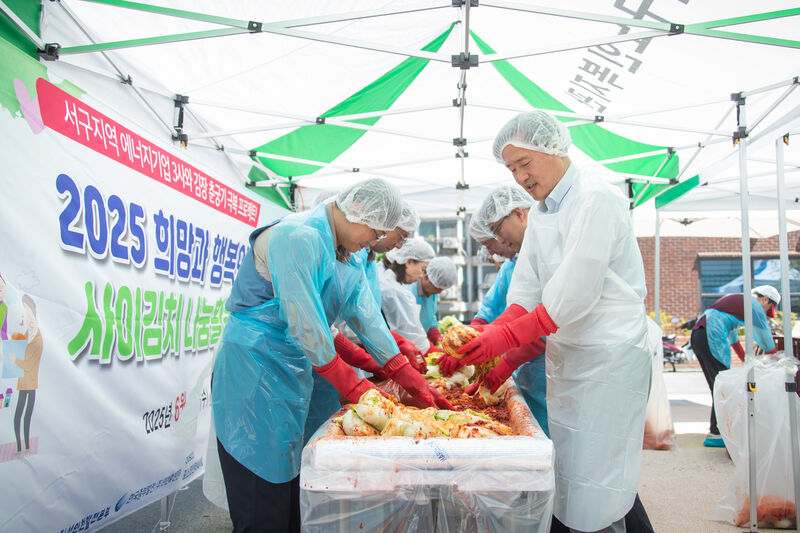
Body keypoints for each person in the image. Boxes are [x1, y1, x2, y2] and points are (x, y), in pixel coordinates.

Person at [211, 178, 450, 533]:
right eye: (375, 232)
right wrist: (356, 387)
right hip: (254, 370)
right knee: (261, 502)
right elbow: (306, 323)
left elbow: (368, 319)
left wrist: (406, 374)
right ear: (358, 211)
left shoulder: (345, 257)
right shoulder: (297, 236)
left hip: (292, 372)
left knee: (289, 491)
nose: (375, 241)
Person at [457, 111, 653, 533]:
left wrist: (504, 340)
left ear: (554, 148)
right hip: (570, 357)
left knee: (600, 477)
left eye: (524, 163)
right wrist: (488, 339)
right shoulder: (542, 211)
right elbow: (526, 293)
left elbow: (576, 291)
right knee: (570, 470)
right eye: (511, 169)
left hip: (609, 357)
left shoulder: (596, 200)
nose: (520, 177)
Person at [303, 201, 423, 443]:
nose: (398, 246)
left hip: (324, 357)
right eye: (399, 236)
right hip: (291, 359)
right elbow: (309, 323)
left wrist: (394, 361)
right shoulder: (300, 240)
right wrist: (357, 376)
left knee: (320, 436)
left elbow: (362, 315)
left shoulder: (357, 259)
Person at [441, 184, 551, 436]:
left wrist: (505, 356)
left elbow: (551, 318)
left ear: (519, 214)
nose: (495, 247)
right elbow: (509, 309)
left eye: (495, 236)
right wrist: (470, 340)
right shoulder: (519, 262)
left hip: (552, 363)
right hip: (531, 362)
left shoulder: (544, 248)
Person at [690, 285, 778, 447]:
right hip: (711, 336)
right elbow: (766, 339)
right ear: (766, 300)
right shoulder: (754, 305)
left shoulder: (737, 300)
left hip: (698, 335)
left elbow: (733, 338)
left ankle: (717, 430)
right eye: (768, 309)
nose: (765, 314)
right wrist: (776, 361)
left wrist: (745, 359)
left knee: (717, 385)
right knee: (723, 387)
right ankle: (716, 433)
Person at [379, 238, 439, 357]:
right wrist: (439, 355)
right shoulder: (394, 291)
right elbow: (415, 340)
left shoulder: (386, 281)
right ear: (409, 262)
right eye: (422, 269)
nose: (421, 276)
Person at [407, 256, 458, 347]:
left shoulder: (431, 291)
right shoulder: (408, 292)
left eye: (442, 289)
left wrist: (433, 331)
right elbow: (407, 328)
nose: (439, 292)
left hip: (422, 344)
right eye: (438, 288)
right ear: (427, 278)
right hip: (409, 344)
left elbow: (430, 315)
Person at [13, 294, 42, 453]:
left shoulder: (38, 339)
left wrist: (14, 360)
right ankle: (19, 446)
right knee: (18, 414)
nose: (29, 319)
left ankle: (27, 447)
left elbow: (29, 364)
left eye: (31, 316)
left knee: (27, 415)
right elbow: (17, 348)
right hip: (23, 382)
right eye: (26, 315)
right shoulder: (26, 333)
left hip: (30, 383)